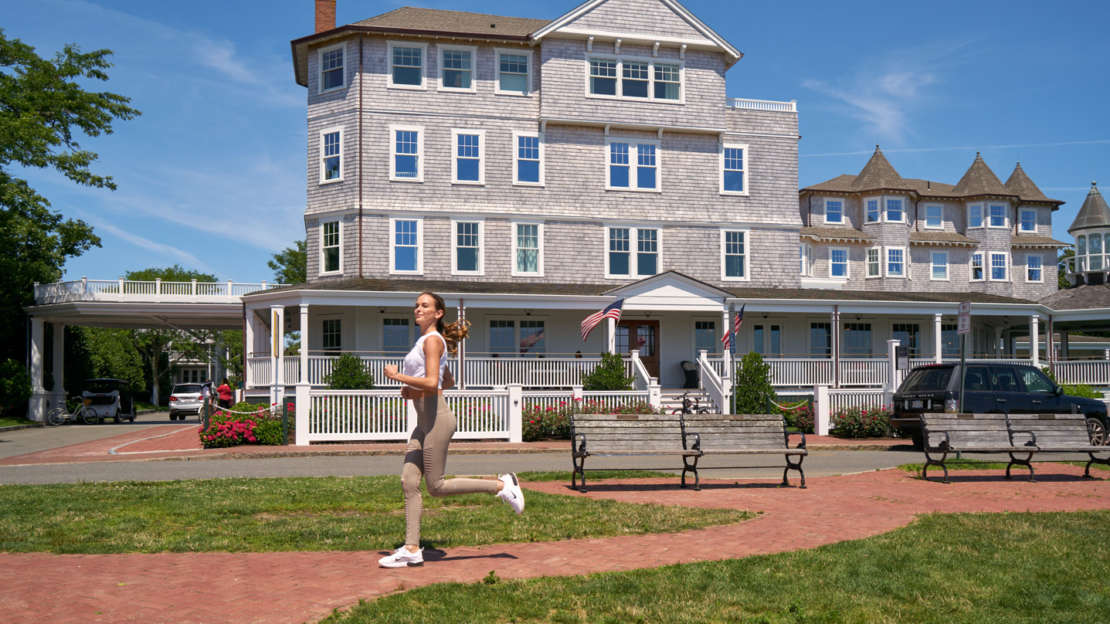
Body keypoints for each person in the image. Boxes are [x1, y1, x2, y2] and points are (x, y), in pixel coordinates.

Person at [377, 291, 525, 569]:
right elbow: (447, 381)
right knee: (409, 481)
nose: (418, 309)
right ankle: (411, 549)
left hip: (437, 420)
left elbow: (432, 382)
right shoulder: (427, 341)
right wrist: (412, 390)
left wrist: (398, 377)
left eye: (424, 305)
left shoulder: (433, 341)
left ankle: (502, 485)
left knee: (436, 486)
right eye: (416, 305)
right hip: (424, 422)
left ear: (438, 313)